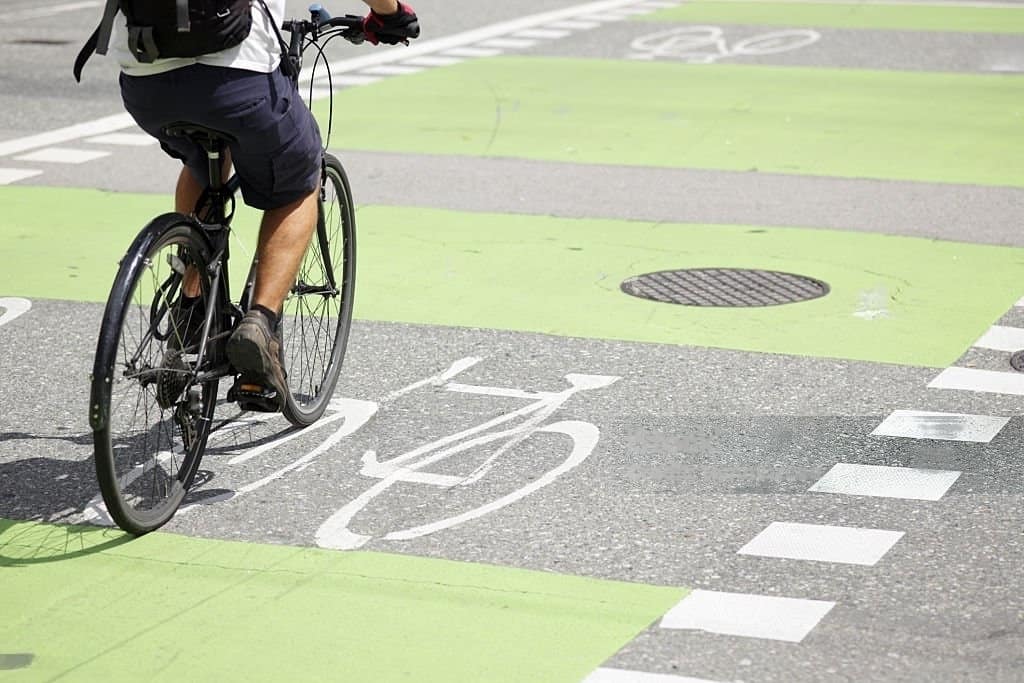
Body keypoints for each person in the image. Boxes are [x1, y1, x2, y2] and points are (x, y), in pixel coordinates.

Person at [108, 0, 419, 411]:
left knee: (201, 159)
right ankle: (260, 327)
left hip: (146, 81)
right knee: (300, 178)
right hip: (241, 79)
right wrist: (390, 13)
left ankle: (191, 306)